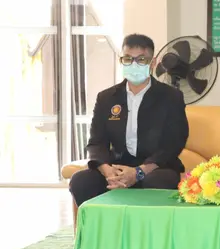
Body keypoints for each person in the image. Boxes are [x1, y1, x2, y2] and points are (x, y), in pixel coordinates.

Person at [69, 34, 189, 206]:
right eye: (128, 59)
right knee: (81, 181)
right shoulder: (106, 98)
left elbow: (173, 143)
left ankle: (146, 224)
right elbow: (96, 142)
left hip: (156, 167)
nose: (133, 65)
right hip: (117, 166)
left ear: (153, 63)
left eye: (141, 60)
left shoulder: (171, 97)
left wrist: (139, 172)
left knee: (158, 182)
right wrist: (107, 170)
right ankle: (102, 224)